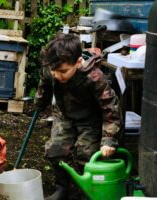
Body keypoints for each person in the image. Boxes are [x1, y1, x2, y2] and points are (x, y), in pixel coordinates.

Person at [34, 33, 123, 200]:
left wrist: (109, 139)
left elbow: (110, 108)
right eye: (54, 71)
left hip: (90, 118)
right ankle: (62, 188)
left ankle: (85, 191)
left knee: (86, 153)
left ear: (78, 62)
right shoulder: (51, 67)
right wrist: (40, 102)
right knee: (56, 149)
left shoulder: (94, 77)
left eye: (63, 71)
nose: (57, 75)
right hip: (64, 114)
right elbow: (45, 84)